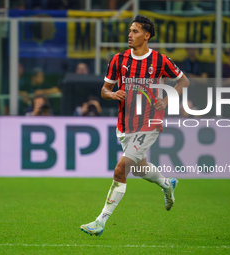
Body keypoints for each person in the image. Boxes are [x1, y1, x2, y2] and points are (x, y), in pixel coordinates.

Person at [80, 15, 189, 236]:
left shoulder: (160, 60)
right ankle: (167, 185)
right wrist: (112, 94)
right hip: (125, 124)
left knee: (121, 169)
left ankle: (100, 222)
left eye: (135, 31)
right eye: (130, 31)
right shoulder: (118, 59)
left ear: (147, 35)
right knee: (140, 169)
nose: (130, 35)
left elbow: (183, 81)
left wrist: (167, 100)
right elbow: (104, 90)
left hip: (150, 122)